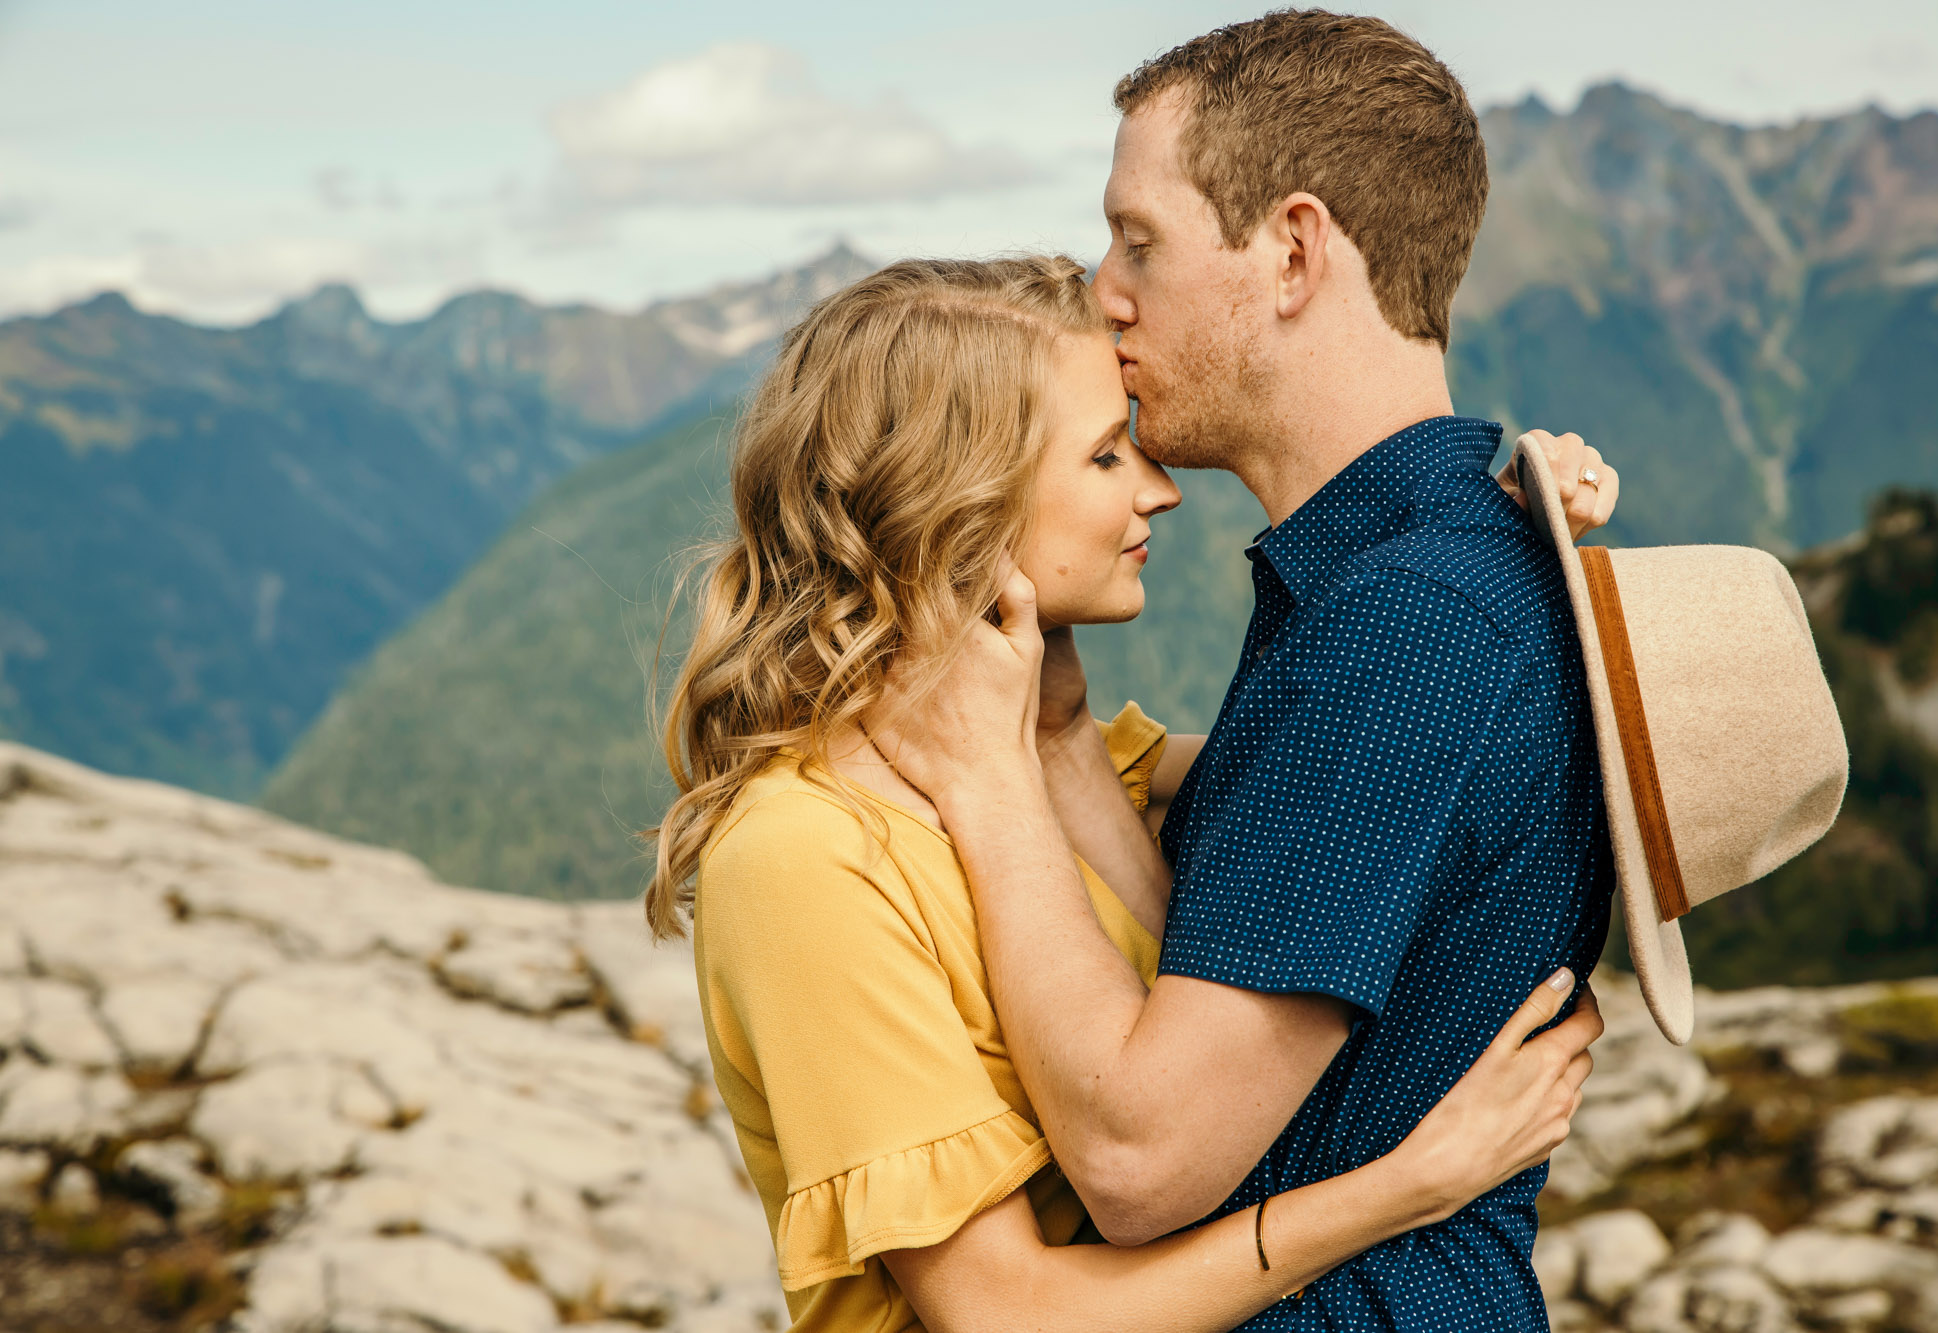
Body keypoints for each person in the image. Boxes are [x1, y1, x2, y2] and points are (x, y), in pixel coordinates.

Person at [646, 255, 1617, 1332]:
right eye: (1107, 454)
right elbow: (1002, 1314)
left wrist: (1487, 559)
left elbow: (1364, 766)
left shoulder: (1065, 756)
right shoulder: (804, 858)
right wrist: (1401, 1189)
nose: (1156, 487)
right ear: (952, 497)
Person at [867, 13, 1618, 1331]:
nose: (1107, 290)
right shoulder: (1384, 579)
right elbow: (1215, 945)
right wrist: (1053, 735)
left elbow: (1139, 1160)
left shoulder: (1406, 630)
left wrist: (984, 781)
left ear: (1292, 251)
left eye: (1139, 239)